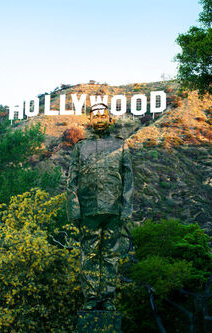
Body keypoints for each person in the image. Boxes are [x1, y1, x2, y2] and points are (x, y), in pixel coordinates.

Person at [67, 103, 134, 311]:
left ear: (110, 119)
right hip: (88, 210)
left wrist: (126, 208)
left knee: (111, 255)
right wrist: (74, 209)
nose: (99, 119)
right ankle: (91, 298)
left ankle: (107, 298)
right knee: (89, 254)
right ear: (89, 120)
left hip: (113, 209)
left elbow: (129, 180)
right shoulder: (81, 147)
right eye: (95, 116)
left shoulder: (120, 145)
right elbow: (72, 180)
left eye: (103, 115)